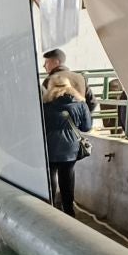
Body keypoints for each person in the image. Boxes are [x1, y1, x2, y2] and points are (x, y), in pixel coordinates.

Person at [43, 73, 91, 215]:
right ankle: (68, 211)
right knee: (67, 178)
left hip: (48, 146)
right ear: (69, 86)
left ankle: (48, 210)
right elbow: (86, 127)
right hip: (70, 148)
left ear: (51, 87)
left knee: (50, 177)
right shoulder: (81, 104)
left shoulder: (44, 104)